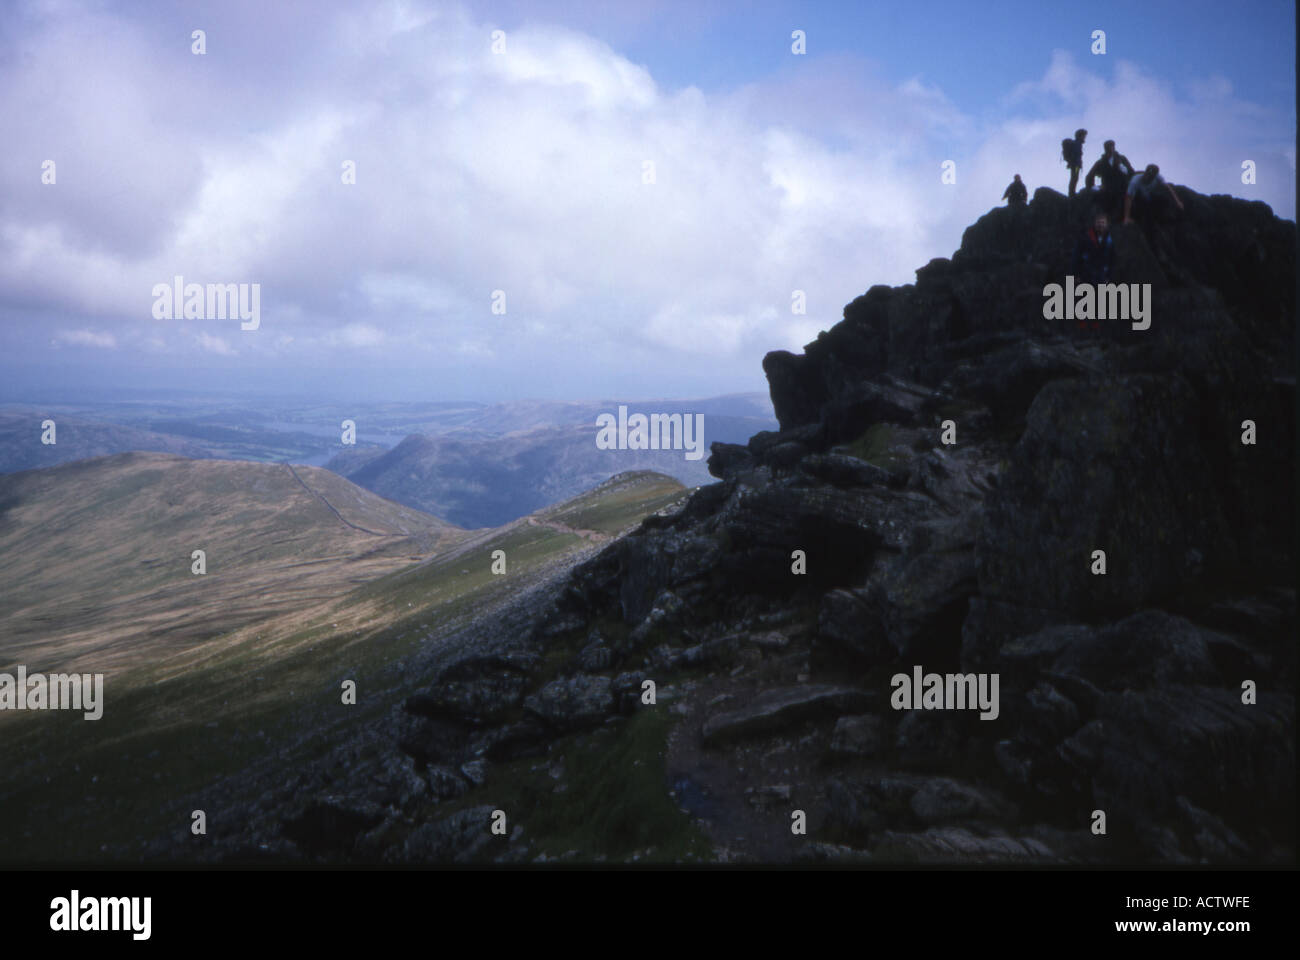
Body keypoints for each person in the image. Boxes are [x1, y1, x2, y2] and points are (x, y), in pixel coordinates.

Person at [1084, 140, 1133, 216]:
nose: (1110, 148)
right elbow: (1089, 176)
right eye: (1108, 147)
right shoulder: (1101, 162)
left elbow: (1131, 172)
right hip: (1108, 190)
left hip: (1122, 189)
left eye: (1112, 146)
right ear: (1105, 148)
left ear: (1114, 147)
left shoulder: (1122, 159)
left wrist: (1120, 166)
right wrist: (1093, 187)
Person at [1073, 209, 1114, 285]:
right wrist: (1076, 275)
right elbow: (1076, 256)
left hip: (1102, 277)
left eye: (1103, 222)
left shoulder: (1110, 241)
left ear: (1106, 224)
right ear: (1094, 223)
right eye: (1098, 222)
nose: (1100, 225)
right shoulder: (1085, 237)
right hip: (1086, 276)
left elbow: (1112, 260)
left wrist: (1109, 277)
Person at [1061, 128, 1087, 197]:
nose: (1085, 137)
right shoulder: (1078, 144)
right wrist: (1075, 163)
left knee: (1074, 177)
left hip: (1074, 165)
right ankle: (1072, 193)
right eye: (1084, 136)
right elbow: (1075, 154)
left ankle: (1071, 192)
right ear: (1080, 136)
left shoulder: (1076, 143)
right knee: (1074, 178)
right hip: (1076, 166)